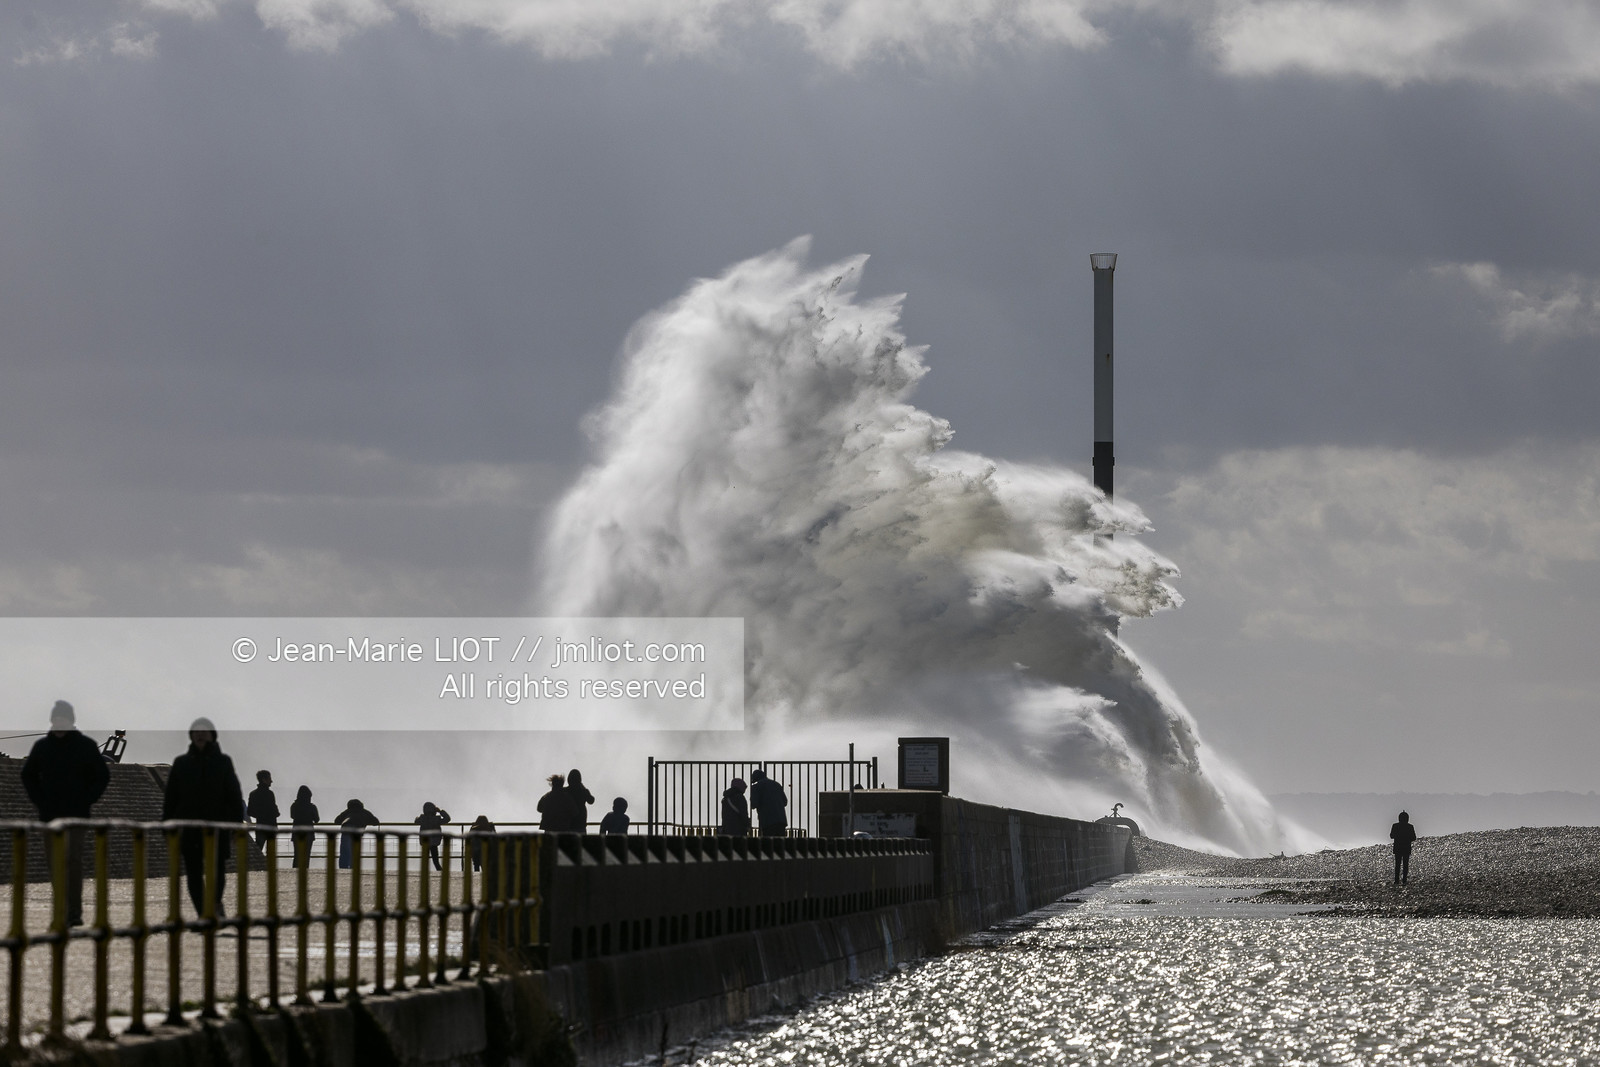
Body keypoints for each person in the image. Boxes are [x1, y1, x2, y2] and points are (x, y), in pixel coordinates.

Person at [20, 700, 110, 927]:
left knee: (72, 861)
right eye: (57, 719)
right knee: (54, 862)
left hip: (77, 814)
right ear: (52, 721)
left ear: (71, 721)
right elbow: (28, 775)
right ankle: (63, 908)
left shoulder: (86, 746)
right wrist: (40, 801)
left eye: (63, 719)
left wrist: (87, 799)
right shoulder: (42, 746)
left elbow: (102, 775)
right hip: (49, 815)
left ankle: (73, 912)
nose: (59, 723)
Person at [161, 717, 244, 918]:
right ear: (191, 735)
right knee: (193, 872)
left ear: (212, 736)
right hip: (189, 827)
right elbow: (171, 797)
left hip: (218, 826)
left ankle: (214, 904)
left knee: (217, 871)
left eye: (204, 731)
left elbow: (234, 794)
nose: (200, 734)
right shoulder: (181, 763)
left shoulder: (223, 762)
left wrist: (236, 824)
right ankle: (203, 913)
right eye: (196, 731)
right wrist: (166, 824)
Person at [333, 799, 379, 869]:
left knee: (345, 850)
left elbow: (336, 821)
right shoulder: (365, 812)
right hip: (358, 831)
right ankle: (353, 868)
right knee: (355, 850)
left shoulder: (347, 811)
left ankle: (343, 868)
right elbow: (376, 822)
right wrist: (365, 821)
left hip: (346, 830)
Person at [749, 768, 788, 837]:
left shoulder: (756, 787)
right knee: (781, 842)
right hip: (781, 820)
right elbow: (785, 802)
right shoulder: (776, 784)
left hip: (767, 820)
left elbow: (754, 804)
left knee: (769, 842)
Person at [246, 770, 279, 851]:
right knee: (271, 852)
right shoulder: (270, 794)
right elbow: (275, 811)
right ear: (264, 780)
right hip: (271, 826)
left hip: (260, 826)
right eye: (269, 779)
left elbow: (249, 811)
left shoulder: (253, 794)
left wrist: (260, 815)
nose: (271, 781)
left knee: (258, 850)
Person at [414, 801, 452, 871]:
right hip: (434, 842)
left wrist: (417, 817)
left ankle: (424, 872)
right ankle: (440, 871)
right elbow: (448, 819)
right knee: (436, 860)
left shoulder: (422, 818)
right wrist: (440, 811)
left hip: (425, 841)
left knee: (425, 860)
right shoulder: (437, 819)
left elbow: (416, 821)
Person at [289, 786, 319, 869]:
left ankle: (295, 870)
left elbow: (292, 816)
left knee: (297, 854)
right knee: (306, 854)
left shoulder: (294, 805)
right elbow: (317, 819)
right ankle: (305, 871)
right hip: (309, 833)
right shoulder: (312, 807)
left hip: (297, 832)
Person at [1391, 810, 1418, 886]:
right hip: (1406, 848)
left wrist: (1398, 836)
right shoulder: (1410, 827)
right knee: (1405, 865)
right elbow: (1413, 837)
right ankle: (1404, 880)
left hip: (1398, 848)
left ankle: (1396, 880)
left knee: (1397, 865)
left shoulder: (1395, 826)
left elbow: (1391, 836)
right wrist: (1407, 838)